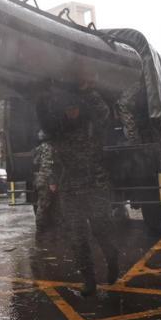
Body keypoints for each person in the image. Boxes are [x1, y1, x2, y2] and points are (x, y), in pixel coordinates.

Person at [41, 84, 120, 296]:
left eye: (74, 108)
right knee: (77, 237)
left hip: (95, 186)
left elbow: (104, 111)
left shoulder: (93, 125)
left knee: (100, 229)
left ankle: (112, 260)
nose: (71, 112)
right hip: (70, 190)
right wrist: (52, 178)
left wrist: (88, 90)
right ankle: (89, 281)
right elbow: (52, 157)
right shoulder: (60, 131)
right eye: (68, 109)